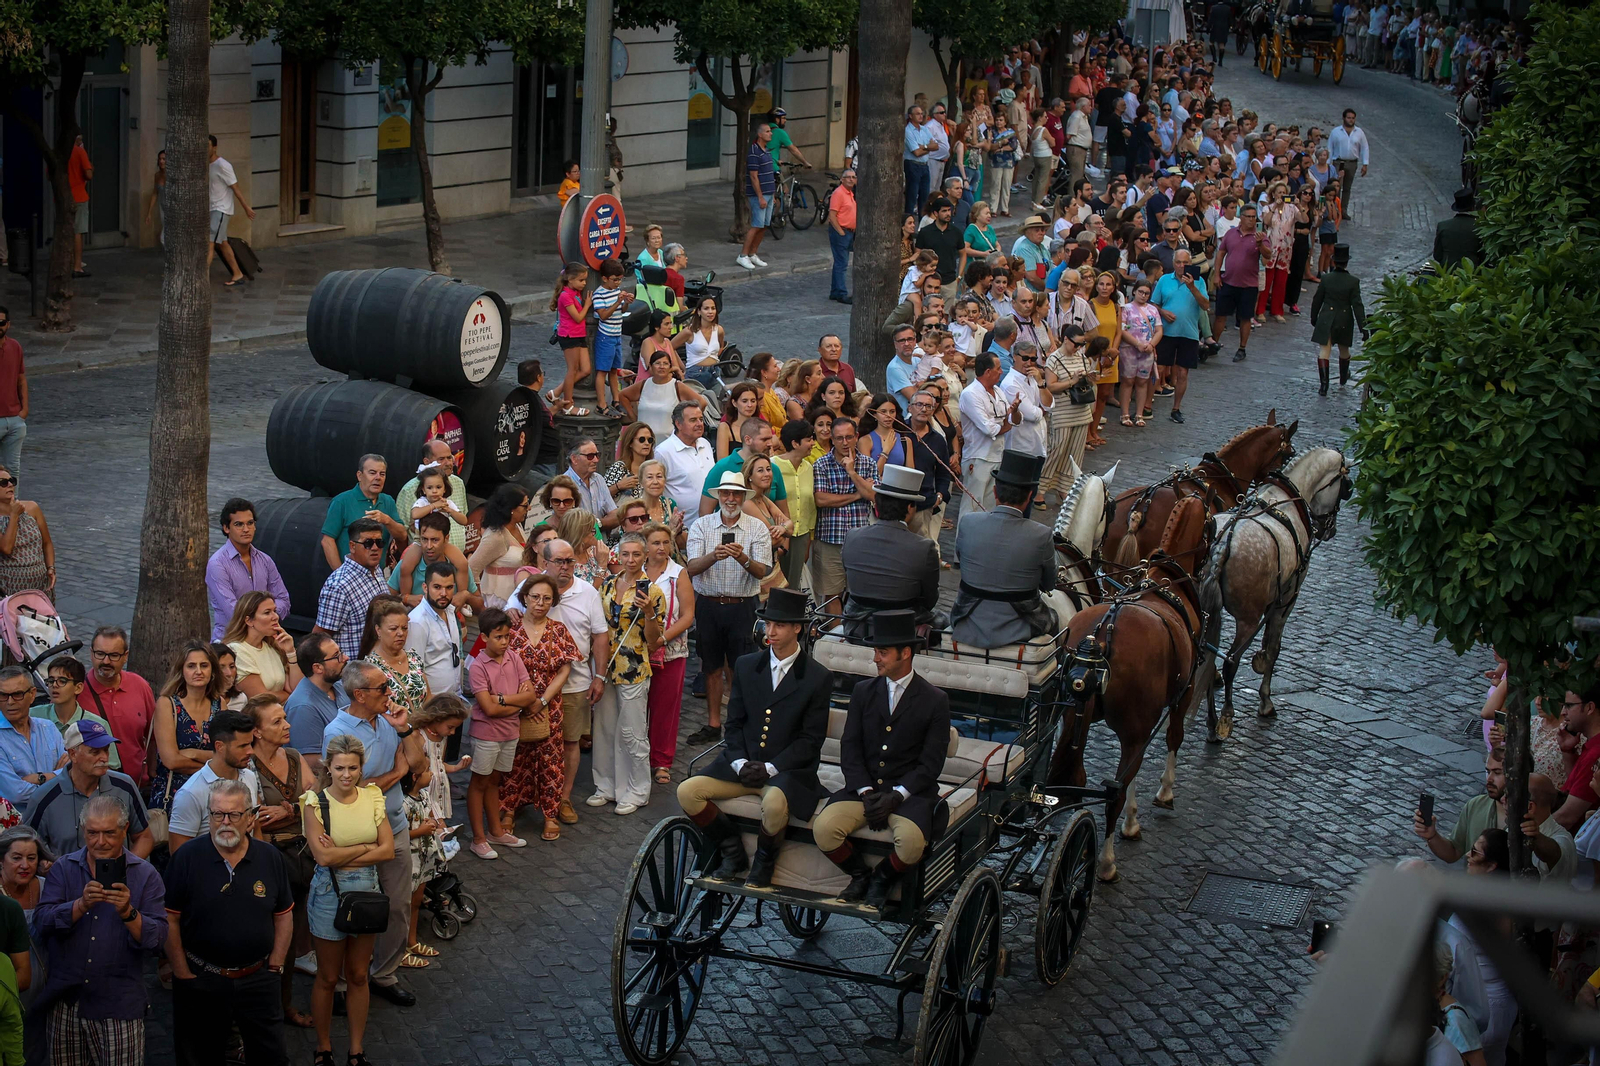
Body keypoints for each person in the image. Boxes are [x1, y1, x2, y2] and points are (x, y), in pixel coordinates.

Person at [676, 588, 831, 887]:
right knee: (688, 791)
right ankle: (732, 851)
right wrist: (739, 762)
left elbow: (810, 741)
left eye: (779, 625)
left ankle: (764, 862)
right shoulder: (747, 665)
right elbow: (733, 724)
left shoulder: (817, 677)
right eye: (767, 624)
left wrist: (771, 768)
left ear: (797, 628)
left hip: (788, 774)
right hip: (742, 767)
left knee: (773, 805)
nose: (770, 632)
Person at [813, 610, 951, 909]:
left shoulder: (934, 700)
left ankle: (882, 878)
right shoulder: (863, 691)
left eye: (883, 652)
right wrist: (865, 791)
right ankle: (860, 875)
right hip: (864, 790)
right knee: (824, 829)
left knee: (913, 844)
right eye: (876, 651)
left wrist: (897, 796)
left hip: (910, 795)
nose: (876, 658)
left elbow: (931, 765)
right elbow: (850, 748)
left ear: (905, 653)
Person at [164, 778, 293, 1066]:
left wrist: (275, 966)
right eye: (217, 814)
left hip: (259, 979)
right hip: (201, 980)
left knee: (271, 1057)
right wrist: (182, 973)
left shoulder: (269, 858)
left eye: (234, 815)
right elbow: (169, 919)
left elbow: (284, 915)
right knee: (199, 1057)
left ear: (250, 818)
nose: (225, 822)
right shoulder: (186, 858)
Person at [31, 794, 166, 1066]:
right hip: (67, 1000)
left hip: (118, 1003)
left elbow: (158, 940)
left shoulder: (144, 874)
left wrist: (129, 913)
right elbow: (41, 922)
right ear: (83, 830)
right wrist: (79, 906)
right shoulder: (63, 869)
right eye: (92, 833)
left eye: (109, 833)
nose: (100, 841)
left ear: (125, 829)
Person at [323, 662, 414, 1010]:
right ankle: (344, 983)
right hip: (354, 832)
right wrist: (395, 773)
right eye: (382, 688)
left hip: (394, 824)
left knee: (397, 904)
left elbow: (416, 765)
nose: (389, 694)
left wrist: (405, 732)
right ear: (360, 694)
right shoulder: (339, 731)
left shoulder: (389, 721)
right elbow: (349, 786)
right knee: (352, 905)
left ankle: (384, 974)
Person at [301, 733, 396, 1063]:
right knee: (327, 977)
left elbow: (388, 850)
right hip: (329, 892)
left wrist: (342, 852)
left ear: (361, 768)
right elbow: (322, 859)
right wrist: (365, 848)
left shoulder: (372, 797)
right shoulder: (314, 804)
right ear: (329, 766)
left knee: (358, 975)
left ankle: (356, 1048)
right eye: (340, 768)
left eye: (352, 768)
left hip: (366, 891)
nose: (346, 775)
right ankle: (323, 1046)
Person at [244, 693, 315, 1028]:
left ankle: (284, 1004)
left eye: (284, 718)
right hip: (270, 859)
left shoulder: (293, 755)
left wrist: (288, 810)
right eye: (277, 721)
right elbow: (257, 818)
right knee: (267, 939)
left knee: (291, 939)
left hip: (303, 856)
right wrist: (296, 811)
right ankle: (261, 1011)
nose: (287, 725)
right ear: (256, 732)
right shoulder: (246, 768)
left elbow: (315, 802)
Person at [526, 540, 607, 828]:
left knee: (570, 742)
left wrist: (599, 676)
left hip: (575, 684)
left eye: (570, 561)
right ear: (544, 562)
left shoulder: (587, 593)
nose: (565, 567)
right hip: (533, 687)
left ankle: (563, 798)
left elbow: (600, 636)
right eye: (559, 561)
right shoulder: (531, 588)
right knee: (531, 742)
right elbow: (511, 619)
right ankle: (527, 796)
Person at [950, 450, 1059, 648]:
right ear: (1029, 497)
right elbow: (1049, 584)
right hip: (1019, 627)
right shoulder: (1041, 534)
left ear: (994, 492)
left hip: (967, 621)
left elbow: (962, 559)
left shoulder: (967, 523)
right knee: (1056, 619)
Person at [469, 605, 555, 852]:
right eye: (498, 637)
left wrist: (503, 700)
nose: (504, 641)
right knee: (479, 783)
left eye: (507, 636)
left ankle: (495, 832)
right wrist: (514, 703)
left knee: (495, 781)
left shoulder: (514, 658)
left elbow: (529, 696)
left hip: (509, 732)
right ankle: (478, 839)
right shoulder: (478, 666)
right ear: (484, 637)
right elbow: (489, 709)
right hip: (487, 734)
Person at [590, 535, 666, 816]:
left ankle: (636, 790)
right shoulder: (609, 585)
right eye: (625, 554)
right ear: (618, 556)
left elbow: (654, 640)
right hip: (605, 665)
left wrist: (647, 613)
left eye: (636, 554)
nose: (630, 560)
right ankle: (606, 786)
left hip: (634, 667)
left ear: (645, 556)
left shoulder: (654, 592)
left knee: (632, 732)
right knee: (604, 727)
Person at [23, 720, 153, 861]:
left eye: (106, 750)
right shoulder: (44, 797)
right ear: (73, 754)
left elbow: (144, 836)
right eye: (95, 752)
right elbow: (27, 848)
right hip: (67, 881)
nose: (104, 758)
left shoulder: (124, 786)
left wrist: (126, 869)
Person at [841, 464, 941, 636]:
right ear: (910, 508)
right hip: (901, 628)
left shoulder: (852, 536)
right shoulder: (924, 547)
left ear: (878, 504)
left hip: (856, 628)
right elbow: (930, 599)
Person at [166, 707, 262, 853]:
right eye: (243, 746)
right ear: (219, 746)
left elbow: (256, 828)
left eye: (250, 743)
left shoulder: (249, 777)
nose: (251, 751)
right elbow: (179, 857)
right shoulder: (190, 793)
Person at [642, 521, 694, 784]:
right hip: (637, 653)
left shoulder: (678, 573)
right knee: (636, 708)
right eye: (655, 543)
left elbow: (687, 616)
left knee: (665, 709)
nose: (661, 547)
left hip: (671, 651)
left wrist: (662, 639)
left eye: (665, 542)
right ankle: (637, 758)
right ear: (645, 546)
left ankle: (662, 761)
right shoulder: (634, 571)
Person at [810, 419, 878, 618]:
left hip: (861, 540)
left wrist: (851, 472)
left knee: (862, 593)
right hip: (830, 539)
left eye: (849, 437)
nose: (845, 442)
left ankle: (857, 637)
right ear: (832, 439)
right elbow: (821, 499)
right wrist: (858, 493)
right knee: (832, 594)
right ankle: (835, 639)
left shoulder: (868, 463)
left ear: (857, 436)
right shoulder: (821, 464)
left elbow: (875, 496)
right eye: (839, 438)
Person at [151, 640, 221, 815]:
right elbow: (171, 761)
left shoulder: (220, 705)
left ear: (212, 671)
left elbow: (226, 753)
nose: (198, 671)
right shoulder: (168, 704)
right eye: (191, 666)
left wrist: (194, 753)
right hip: (174, 795)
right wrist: (215, 767)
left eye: (204, 665)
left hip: (212, 796)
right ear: (182, 671)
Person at [82, 626, 156, 790]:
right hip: (93, 790)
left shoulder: (140, 686)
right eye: (100, 654)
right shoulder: (78, 692)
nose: (106, 661)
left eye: (114, 655)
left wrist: (152, 773)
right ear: (91, 653)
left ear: (125, 657)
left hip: (137, 787)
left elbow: (153, 736)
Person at [205, 498, 290, 640]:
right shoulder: (217, 564)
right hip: (231, 644)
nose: (246, 529)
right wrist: (267, 615)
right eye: (239, 524)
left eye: (250, 523)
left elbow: (284, 600)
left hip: (265, 640)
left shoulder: (265, 560)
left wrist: (266, 616)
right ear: (226, 528)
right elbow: (233, 612)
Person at [315, 518, 391, 662]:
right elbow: (320, 637)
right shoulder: (339, 585)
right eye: (368, 543)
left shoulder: (376, 569)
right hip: (352, 674)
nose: (375, 548)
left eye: (379, 543)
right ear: (352, 546)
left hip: (379, 666)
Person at [1414, 747, 1506, 865]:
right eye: (1488, 772)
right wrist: (1432, 836)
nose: (1489, 779)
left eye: (1497, 773)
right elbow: (1453, 852)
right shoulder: (1476, 805)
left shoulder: (1533, 819)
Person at [958, 351, 1022, 514]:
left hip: (997, 456)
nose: (1001, 372)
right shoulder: (970, 394)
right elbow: (989, 429)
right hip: (978, 457)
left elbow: (1014, 420)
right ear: (988, 372)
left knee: (990, 508)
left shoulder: (998, 391)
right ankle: (965, 539)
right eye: (998, 368)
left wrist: (1014, 411)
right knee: (972, 507)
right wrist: (1006, 425)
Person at [1151, 249, 1209, 424]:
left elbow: (1205, 305)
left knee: (1183, 372)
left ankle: (1176, 408)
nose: (1182, 266)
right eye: (1178, 262)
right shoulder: (1164, 280)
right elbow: (1154, 304)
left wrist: (1192, 287)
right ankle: (1146, 405)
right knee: (1158, 369)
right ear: (1173, 262)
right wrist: (1163, 312)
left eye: (1185, 263)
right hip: (1167, 331)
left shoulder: (1199, 282)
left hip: (1189, 333)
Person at [319, 455, 407, 571]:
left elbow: (402, 536)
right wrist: (340, 574)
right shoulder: (342, 501)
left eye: (382, 474)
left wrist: (387, 521)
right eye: (372, 473)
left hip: (377, 575)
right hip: (350, 574)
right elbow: (327, 541)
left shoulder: (388, 501)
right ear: (359, 476)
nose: (378, 478)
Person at [34, 656, 120, 769]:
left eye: (62, 681)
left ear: (78, 688)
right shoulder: (33, 716)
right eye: (51, 680)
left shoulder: (97, 724)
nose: (54, 685)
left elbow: (112, 767)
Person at [391, 511, 481, 611]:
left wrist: (466, 596)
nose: (429, 546)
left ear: (446, 539)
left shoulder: (458, 565)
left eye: (435, 540)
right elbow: (385, 600)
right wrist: (406, 599)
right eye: (424, 539)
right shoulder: (407, 564)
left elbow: (480, 605)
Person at [284, 634, 349, 773]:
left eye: (341, 652)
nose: (345, 658)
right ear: (318, 668)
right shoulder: (303, 707)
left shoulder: (339, 685)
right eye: (337, 655)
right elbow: (312, 762)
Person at [224, 590, 301, 704]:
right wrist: (289, 695)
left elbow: (297, 689)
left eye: (274, 611)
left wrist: (290, 652)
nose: (275, 617)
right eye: (267, 612)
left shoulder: (273, 647)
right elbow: (261, 698)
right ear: (249, 621)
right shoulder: (237, 650)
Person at [392, 440, 468, 554]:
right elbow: (402, 531)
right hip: (425, 558)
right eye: (441, 459)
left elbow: (464, 518)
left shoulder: (458, 483)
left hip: (453, 556)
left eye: (449, 457)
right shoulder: (409, 490)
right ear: (426, 462)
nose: (448, 463)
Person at [1310, 243, 1368, 395]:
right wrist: (1364, 328)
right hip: (1344, 320)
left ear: (1333, 261)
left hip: (1326, 318)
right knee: (1344, 350)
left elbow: (1317, 300)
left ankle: (1324, 386)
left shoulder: (1327, 279)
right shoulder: (1353, 282)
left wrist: (1313, 317)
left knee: (1324, 351)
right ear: (1347, 262)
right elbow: (1357, 306)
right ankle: (1343, 377)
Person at [1212, 204, 1265, 362]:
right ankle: (1213, 344)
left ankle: (1242, 348)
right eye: (1248, 216)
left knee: (1245, 317)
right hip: (1228, 281)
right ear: (1241, 218)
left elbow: (1267, 256)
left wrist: (1261, 244)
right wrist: (1217, 275)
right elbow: (1221, 253)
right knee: (1220, 315)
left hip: (1249, 285)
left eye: (1253, 217)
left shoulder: (1260, 236)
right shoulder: (1231, 233)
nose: (1251, 220)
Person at [404, 564, 463, 703]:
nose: (444, 593)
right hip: (433, 706)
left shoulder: (450, 611)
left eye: (449, 587)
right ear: (425, 587)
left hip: (455, 699)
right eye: (437, 587)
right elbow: (414, 671)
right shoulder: (417, 621)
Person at [469, 484, 532, 610]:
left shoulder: (517, 526)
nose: (529, 508)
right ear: (511, 508)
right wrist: (479, 599)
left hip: (517, 599)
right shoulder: (495, 536)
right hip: (499, 603)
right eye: (525, 505)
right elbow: (471, 569)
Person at [619, 347, 700, 439]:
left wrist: (686, 424)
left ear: (670, 367)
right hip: (643, 442)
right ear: (650, 366)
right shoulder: (643, 385)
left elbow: (702, 403)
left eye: (665, 363)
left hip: (669, 443)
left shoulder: (677, 386)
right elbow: (622, 395)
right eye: (657, 363)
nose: (661, 366)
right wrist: (634, 418)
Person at [207, 135, 256, 285]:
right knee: (222, 243)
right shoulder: (206, 164)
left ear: (215, 147)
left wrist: (246, 207)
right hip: (212, 208)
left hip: (220, 209)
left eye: (207, 145)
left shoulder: (223, 165)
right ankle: (237, 273)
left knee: (209, 242)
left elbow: (235, 187)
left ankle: (201, 278)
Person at [654, 402, 716, 521]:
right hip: (683, 527)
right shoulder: (663, 451)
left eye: (701, 419)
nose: (699, 424)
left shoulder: (705, 444)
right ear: (678, 424)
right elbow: (656, 491)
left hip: (710, 523)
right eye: (693, 420)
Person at [588, 259, 633, 415]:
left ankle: (616, 400)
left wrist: (626, 302)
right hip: (605, 337)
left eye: (620, 279)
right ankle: (602, 404)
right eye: (615, 279)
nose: (618, 282)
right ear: (605, 278)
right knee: (602, 371)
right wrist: (618, 301)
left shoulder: (617, 291)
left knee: (614, 370)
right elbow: (604, 315)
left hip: (616, 336)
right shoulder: (599, 294)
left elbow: (621, 310)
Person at [1555, 682, 1600, 832]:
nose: (1563, 712)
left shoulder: (1596, 753)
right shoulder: (1591, 745)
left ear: (1589, 708)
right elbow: (1575, 789)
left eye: (1568, 706)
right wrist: (1567, 751)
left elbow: (1567, 817)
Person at [1000, 340, 1051, 459]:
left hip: (1038, 444)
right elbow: (1033, 415)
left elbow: (1050, 404)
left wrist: (1040, 382)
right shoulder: (1010, 384)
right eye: (1025, 358)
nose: (1029, 363)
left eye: (1033, 359)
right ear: (1014, 357)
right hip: (1020, 447)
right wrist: (1043, 410)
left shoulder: (1033, 378)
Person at [739, 122, 776, 270]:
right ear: (760, 134)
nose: (771, 133)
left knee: (764, 226)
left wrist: (771, 195)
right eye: (767, 131)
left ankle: (753, 253)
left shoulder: (766, 151)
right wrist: (760, 197)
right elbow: (754, 177)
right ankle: (743, 255)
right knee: (756, 225)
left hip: (769, 194)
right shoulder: (754, 152)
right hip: (759, 196)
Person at [673, 297, 726, 390]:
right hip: (695, 375)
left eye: (713, 308)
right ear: (699, 312)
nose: (710, 312)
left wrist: (713, 359)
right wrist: (681, 368)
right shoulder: (689, 331)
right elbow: (670, 347)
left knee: (717, 402)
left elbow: (721, 346)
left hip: (715, 372)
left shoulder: (719, 330)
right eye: (706, 308)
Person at [1328, 109, 1369, 220]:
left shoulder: (1359, 132)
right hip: (1338, 162)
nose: (1351, 120)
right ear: (1344, 118)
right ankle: (1334, 208)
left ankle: (1343, 210)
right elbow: (1330, 147)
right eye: (1349, 118)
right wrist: (1328, 164)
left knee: (1347, 188)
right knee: (1336, 187)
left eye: (1353, 118)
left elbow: (1364, 148)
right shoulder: (1336, 132)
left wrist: (1365, 163)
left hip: (1352, 163)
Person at [0, 312, 26, 478]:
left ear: (8, 324)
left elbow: (21, 379)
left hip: (15, 419)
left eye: (1, 322)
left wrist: (24, 411)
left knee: (13, 470)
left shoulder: (15, 346)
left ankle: (12, 504)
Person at [827, 168, 857, 304]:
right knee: (842, 263)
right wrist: (840, 232)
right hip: (841, 232)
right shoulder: (839, 193)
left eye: (853, 177)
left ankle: (835, 291)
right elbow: (832, 215)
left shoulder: (849, 193)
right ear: (842, 179)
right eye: (848, 177)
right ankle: (841, 293)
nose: (851, 179)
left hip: (849, 232)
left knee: (840, 262)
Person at [1434, 188, 1481, 270]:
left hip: (1447, 271)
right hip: (1471, 272)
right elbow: (1483, 256)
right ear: (1473, 207)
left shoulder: (1443, 226)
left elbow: (1437, 255)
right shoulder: (1479, 227)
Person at [67, 135, 93, 279]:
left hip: (63, 197)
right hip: (79, 196)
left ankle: (66, 263)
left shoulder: (60, 152)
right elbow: (88, 174)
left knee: (66, 230)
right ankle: (77, 266)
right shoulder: (79, 152)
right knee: (78, 232)